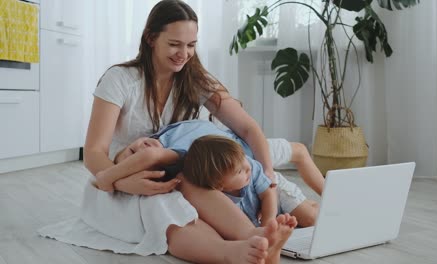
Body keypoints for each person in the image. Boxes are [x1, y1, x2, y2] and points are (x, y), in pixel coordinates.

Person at [83, 0, 295, 263]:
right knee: (168, 205)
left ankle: (255, 236)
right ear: (150, 38)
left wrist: (268, 173)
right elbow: (93, 153)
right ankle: (232, 252)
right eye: (174, 44)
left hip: (180, 174)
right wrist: (121, 182)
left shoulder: (194, 79)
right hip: (121, 178)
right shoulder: (120, 80)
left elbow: (248, 128)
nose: (183, 53)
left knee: (195, 181)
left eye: (191, 45)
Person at [94, 120, 320, 227]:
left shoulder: (168, 146)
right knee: (304, 217)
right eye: (133, 156)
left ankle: (327, 204)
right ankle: (315, 205)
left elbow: (268, 189)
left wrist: (107, 177)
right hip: (234, 162)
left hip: (244, 157)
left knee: (309, 217)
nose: (141, 149)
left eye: (134, 147)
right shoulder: (184, 167)